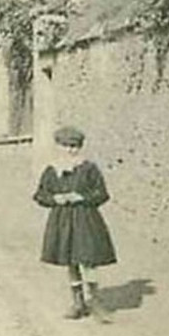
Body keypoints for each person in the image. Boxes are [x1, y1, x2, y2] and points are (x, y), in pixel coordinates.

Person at [33, 125, 118, 322]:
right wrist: (55, 199)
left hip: (85, 219)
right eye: (67, 146)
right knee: (70, 260)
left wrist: (81, 197)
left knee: (87, 259)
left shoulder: (88, 168)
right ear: (59, 146)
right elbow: (40, 194)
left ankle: (95, 301)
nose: (71, 150)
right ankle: (77, 302)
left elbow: (102, 194)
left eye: (75, 146)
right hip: (62, 221)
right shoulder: (52, 170)